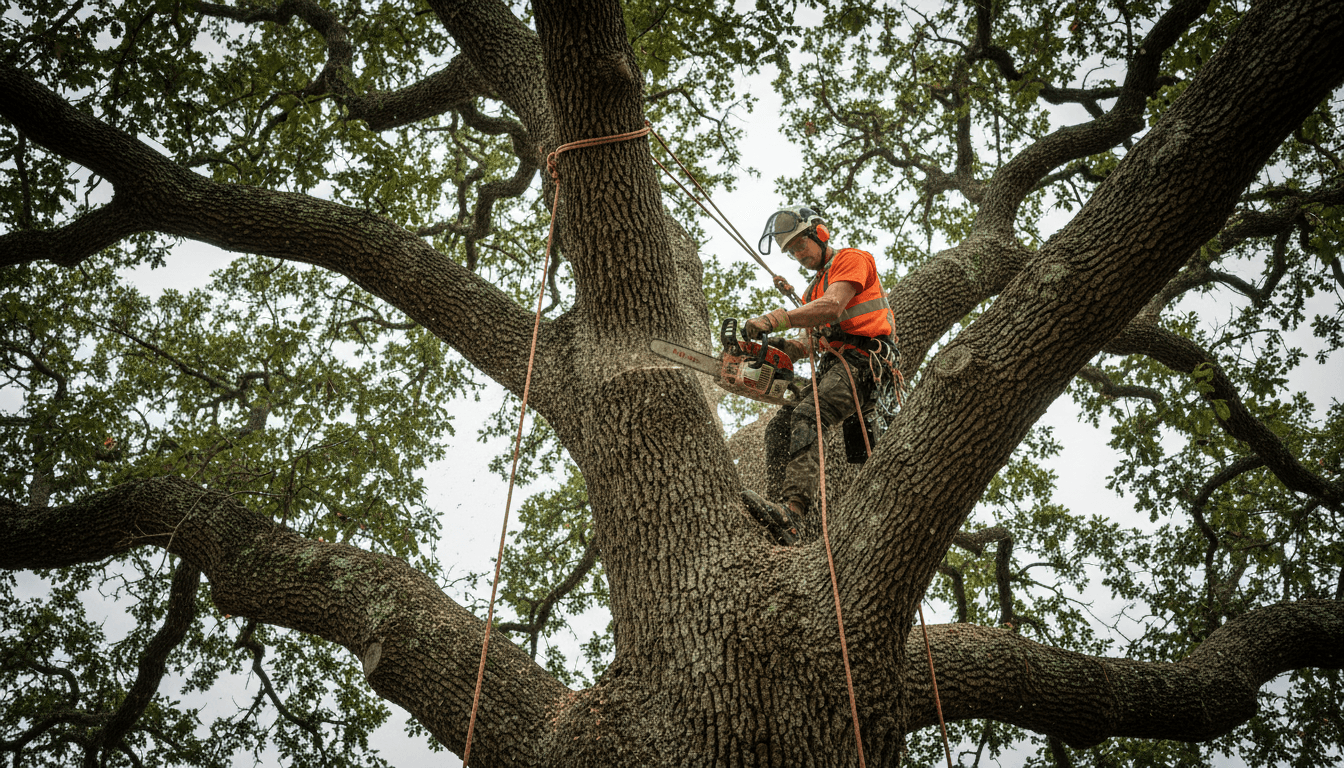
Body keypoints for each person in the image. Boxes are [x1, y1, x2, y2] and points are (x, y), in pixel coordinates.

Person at [740, 205, 898, 541]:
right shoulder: (813, 291)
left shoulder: (852, 259)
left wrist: (774, 318)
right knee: (780, 427)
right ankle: (778, 507)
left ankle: (793, 512)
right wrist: (776, 345)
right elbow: (806, 344)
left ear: (820, 234)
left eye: (801, 245)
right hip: (834, 366)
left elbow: (832, 307)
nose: (798, 254)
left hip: (862, 361)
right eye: (792, 251)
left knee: (810, 414)